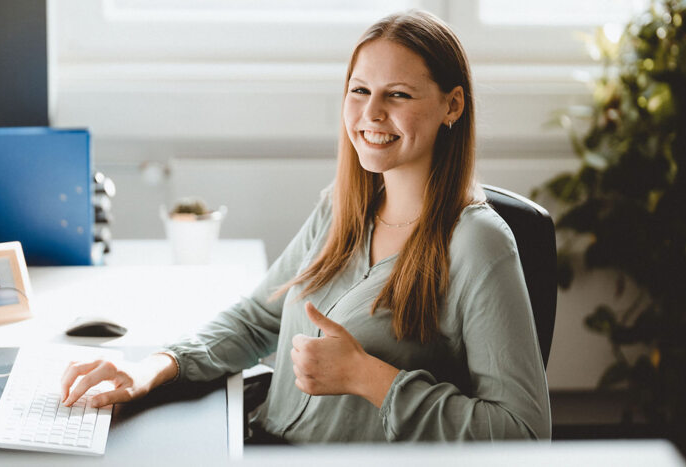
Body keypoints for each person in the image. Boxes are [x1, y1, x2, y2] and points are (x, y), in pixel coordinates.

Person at [59, 9, 550, 443]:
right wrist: (149, 370)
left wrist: (368, 377)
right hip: (259, 437)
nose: (371, 114)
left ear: (453, 106)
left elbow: (524, 433)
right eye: (359, 90)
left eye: (397, 95)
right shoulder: (345, 207)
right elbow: (257, 320)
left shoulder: (477, 243)